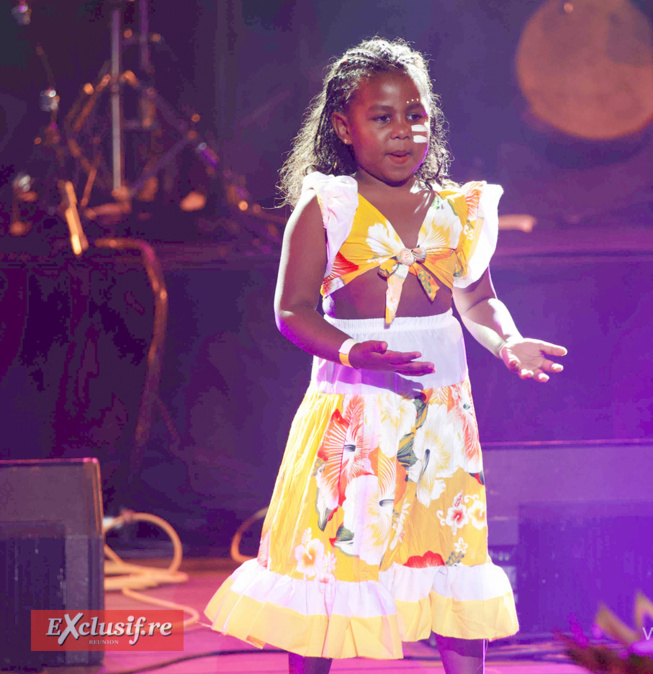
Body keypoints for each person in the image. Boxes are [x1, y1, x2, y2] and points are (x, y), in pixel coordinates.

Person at [204, 37, 566, 674]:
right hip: (356, 416)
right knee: (332, 565)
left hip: (442, 422)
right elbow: (291, 311)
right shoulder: (329, 207)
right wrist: (350, 349)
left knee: (449, 562)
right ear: (344, 126)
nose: (403, 131)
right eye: (382, 117)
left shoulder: (460, 210)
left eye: (416, 115)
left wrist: (506, 340)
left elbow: (477, 300)